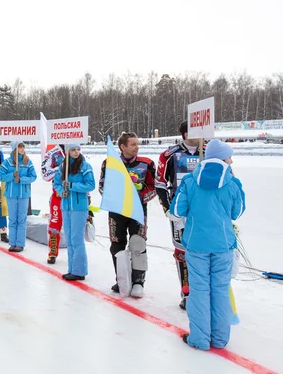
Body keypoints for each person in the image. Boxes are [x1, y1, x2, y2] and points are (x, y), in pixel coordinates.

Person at [169, 139, 245, 351]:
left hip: (196, 244)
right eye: (229, 156)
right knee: (220, 290)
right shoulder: (232, 182)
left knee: (199, 290)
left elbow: (177, 211)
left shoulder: (191, 181)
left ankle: (200, 339)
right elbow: (236, 212)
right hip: (223, 244)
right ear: (222, 158)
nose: (231, 160)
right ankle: (220, 339)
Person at [99, 132, 156, 298]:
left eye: (137, 144)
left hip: (138, 210)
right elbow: (102, 186)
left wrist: (139, 196)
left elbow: (154, 187)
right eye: (133, 145)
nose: (137, 147)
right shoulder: (109, 163)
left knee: (138, 244)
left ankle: (138, 281)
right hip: (117, 210)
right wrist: (115, 195)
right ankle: (121, 278)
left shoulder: (147, 163)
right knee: (117, 244)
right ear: (123, 147)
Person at [156, 121, 205, 309]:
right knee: (182, 251)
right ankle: (187, 293)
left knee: (204, 251)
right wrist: (168, 209)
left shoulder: (209, 153)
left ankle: (204, 293)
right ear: (186, 134)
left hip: (204, 212)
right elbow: (160, 184)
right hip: (180, 211)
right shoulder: (170, 154)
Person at [53, 145, 95, 281]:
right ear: (67, 152)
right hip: (66, 206)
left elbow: (90, 185)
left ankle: (79, 270)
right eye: (73, 150)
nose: (76, 152)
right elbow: (56, 183)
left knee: (77, 239)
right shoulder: (62, 167)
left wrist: (72, 186)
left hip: (79, 207)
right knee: (70, 239)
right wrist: (61, 191)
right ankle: (72, 268)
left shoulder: (85, 166)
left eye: (78, 149)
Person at [0, 141, 37, 252]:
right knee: (12, 219)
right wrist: (12, 175)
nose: (22, 149)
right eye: (19, 147)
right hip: (11, 194)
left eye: (23, 147)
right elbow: (1, 176)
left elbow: (33, 176)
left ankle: (20, 243)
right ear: (14, 148)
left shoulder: (27, 162)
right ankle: (12, 242)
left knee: (21, 219)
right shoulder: (7, 162)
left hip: (23, 194)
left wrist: (21, 180)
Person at [41, 144, 65, 264]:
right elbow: (45, 175)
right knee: (54, 225)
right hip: (58, 197)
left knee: (74, 228)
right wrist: (60, 169)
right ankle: (52, 253)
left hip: (74, 198)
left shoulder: (76, 151)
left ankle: (75, 254)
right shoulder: (53, 152)